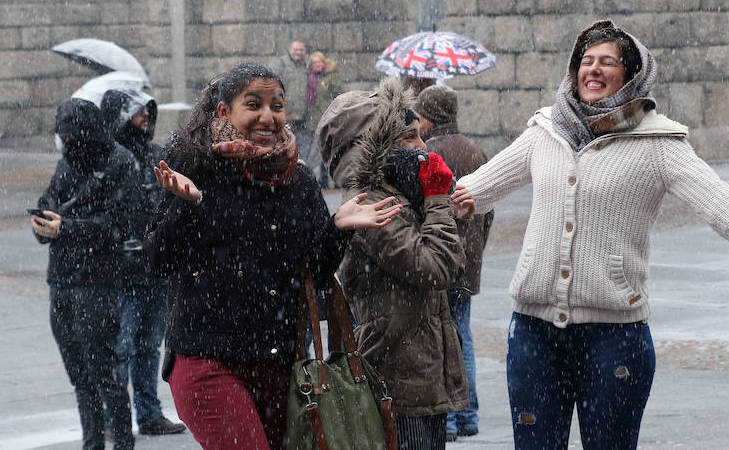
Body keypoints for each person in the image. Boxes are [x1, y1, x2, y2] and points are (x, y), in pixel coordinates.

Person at [450, 20, 729, 450]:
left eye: (607, 62)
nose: (593, 70)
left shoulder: (659, 142)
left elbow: (725, 208)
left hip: (613, 340)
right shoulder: (546, 131)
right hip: (534, 335)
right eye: (586, 61)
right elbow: (472, 191)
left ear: (631, 74)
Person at [142, 61, 401, 450]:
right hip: (206, 358)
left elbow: (313, 269)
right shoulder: (195, 166)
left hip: (281, 364)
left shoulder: (297, 180)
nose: (268, 116)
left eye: (276, 105)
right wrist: (189, 206)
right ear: (224, 112)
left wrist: (337, 229)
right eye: (254, 104)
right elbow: (156, 260)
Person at [316, 77, 468, 450]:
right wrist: (436, 202)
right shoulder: (372, 204)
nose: (421, 147)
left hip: (422, 377)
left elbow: (451, 265)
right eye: (409, 138)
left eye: (420, 135)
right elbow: (434, 269)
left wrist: (445, 210)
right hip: (399, 382)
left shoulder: (400, 194)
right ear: (374, 146)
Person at [31, 98, 137, 450]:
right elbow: (50, 199)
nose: (70, 144)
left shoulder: (118, 161)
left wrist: (67, 228)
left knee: (103, 373)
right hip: (61, 279)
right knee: (80, 376)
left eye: (74, 137)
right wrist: (43, 222)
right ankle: (91, 443)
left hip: (96, 280)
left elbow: (118, 226)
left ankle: (122, 443)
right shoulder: (68, 162)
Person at [99, 89, 185, 436]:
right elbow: (107, 214)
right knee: (121, 348)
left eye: (147, 111)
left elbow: (168, 202)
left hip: (155, 270)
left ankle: (149, 414)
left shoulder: (155, 154)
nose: (145, 118)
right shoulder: (109, 159)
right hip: (123, 272)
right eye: (137, 113)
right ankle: (112, 417)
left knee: (149, 347)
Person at [414, 84, 493, 442]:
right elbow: (487, 211)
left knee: (438, 339)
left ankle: (445, 419)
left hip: (440, 259)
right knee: (463, 336)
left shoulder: (428, 153)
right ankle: (468, 415)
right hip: (468, 263)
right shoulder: (476, 151)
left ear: (429, 116)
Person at [302, 51, 343, 188]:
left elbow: (341, 95)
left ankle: (335, 179)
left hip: (329, 118)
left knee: (330, 149)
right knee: (318, 149)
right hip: (313, 119)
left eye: (320, 61)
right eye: (315, 62)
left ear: (324, 62)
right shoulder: (309, 77)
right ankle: (323, 179)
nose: (318, 64)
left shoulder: (332, 76)